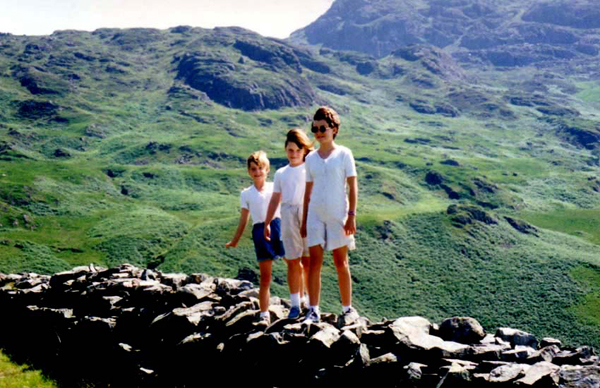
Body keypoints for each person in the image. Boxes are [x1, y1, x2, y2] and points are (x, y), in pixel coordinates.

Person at [301, 106, 359, 325]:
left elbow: (353, 187)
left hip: (338, 215)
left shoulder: (344, 154)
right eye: (314, 128)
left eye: (323, 127)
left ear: (334, 129)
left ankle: (347, 309)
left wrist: (351, 215)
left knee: (340, 262)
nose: (318, 132)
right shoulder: (311, 159)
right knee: (314, 262)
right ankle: (313, 310)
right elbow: (308, 191)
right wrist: (305, 220)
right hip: (315, 215)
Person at [226, 151, 284, 324]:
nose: (257, 172)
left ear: (267, 169)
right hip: (259, 231)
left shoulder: (275, 187)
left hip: (278, 225)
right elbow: (244, 219)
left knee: (294, 264)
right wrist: (235, 240)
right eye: (253, 169)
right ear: (249, 171)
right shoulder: (246, 194)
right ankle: (264, 312)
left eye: (260, 168)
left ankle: (301, 300)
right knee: (265, 276)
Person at [264, 129, 313, 319]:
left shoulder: (309, 169)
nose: (293, 154)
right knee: (293, 260)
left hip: (307, 213)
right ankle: (294, 305)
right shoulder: (281, 173)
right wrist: (267, 222)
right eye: (290, 150)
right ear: (285, 150)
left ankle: (310, 302)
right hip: (288, 214)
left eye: (297, 150)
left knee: (308, 262)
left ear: (304, 150)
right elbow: (275, 198)